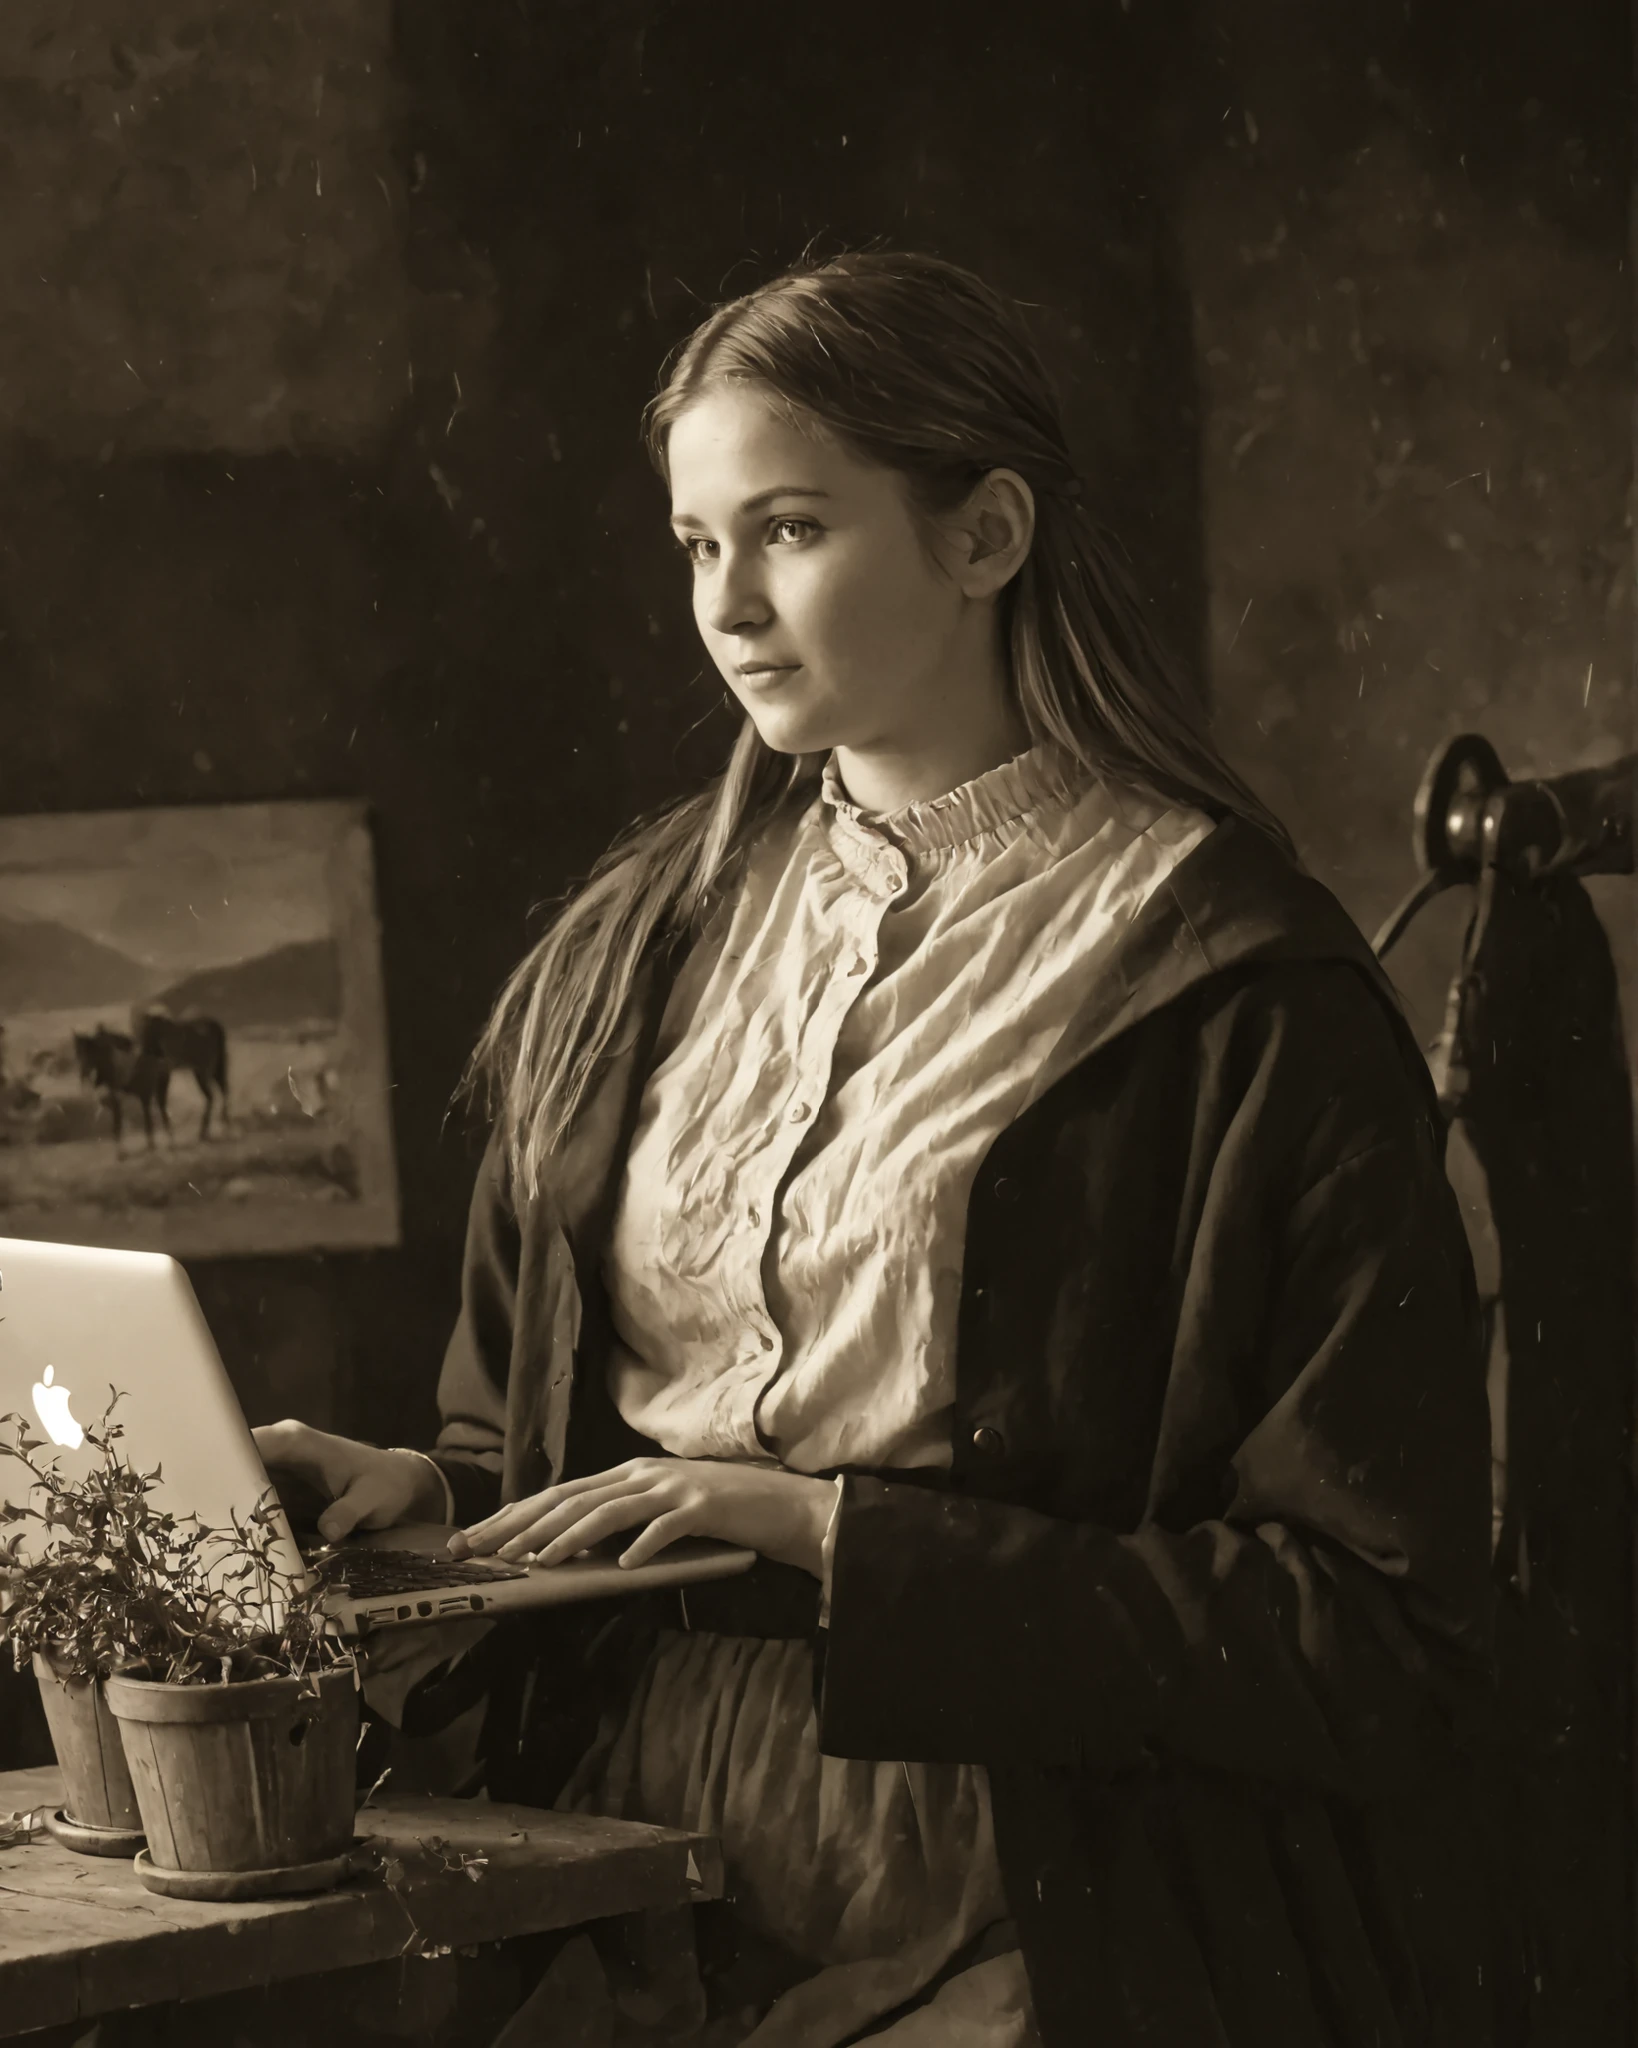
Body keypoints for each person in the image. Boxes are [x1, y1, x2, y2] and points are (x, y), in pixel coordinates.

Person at [257, 250, 1499, 2047]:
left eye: (788, 530)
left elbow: (1372, 1632)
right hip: (612, 1842)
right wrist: (441, 1504)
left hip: (1019, 1871)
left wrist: (833, 1533)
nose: (729, 606)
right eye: (697, 544)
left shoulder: (1235, 992)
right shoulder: (647, 943)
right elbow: (542, 1428)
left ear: (985, 534)